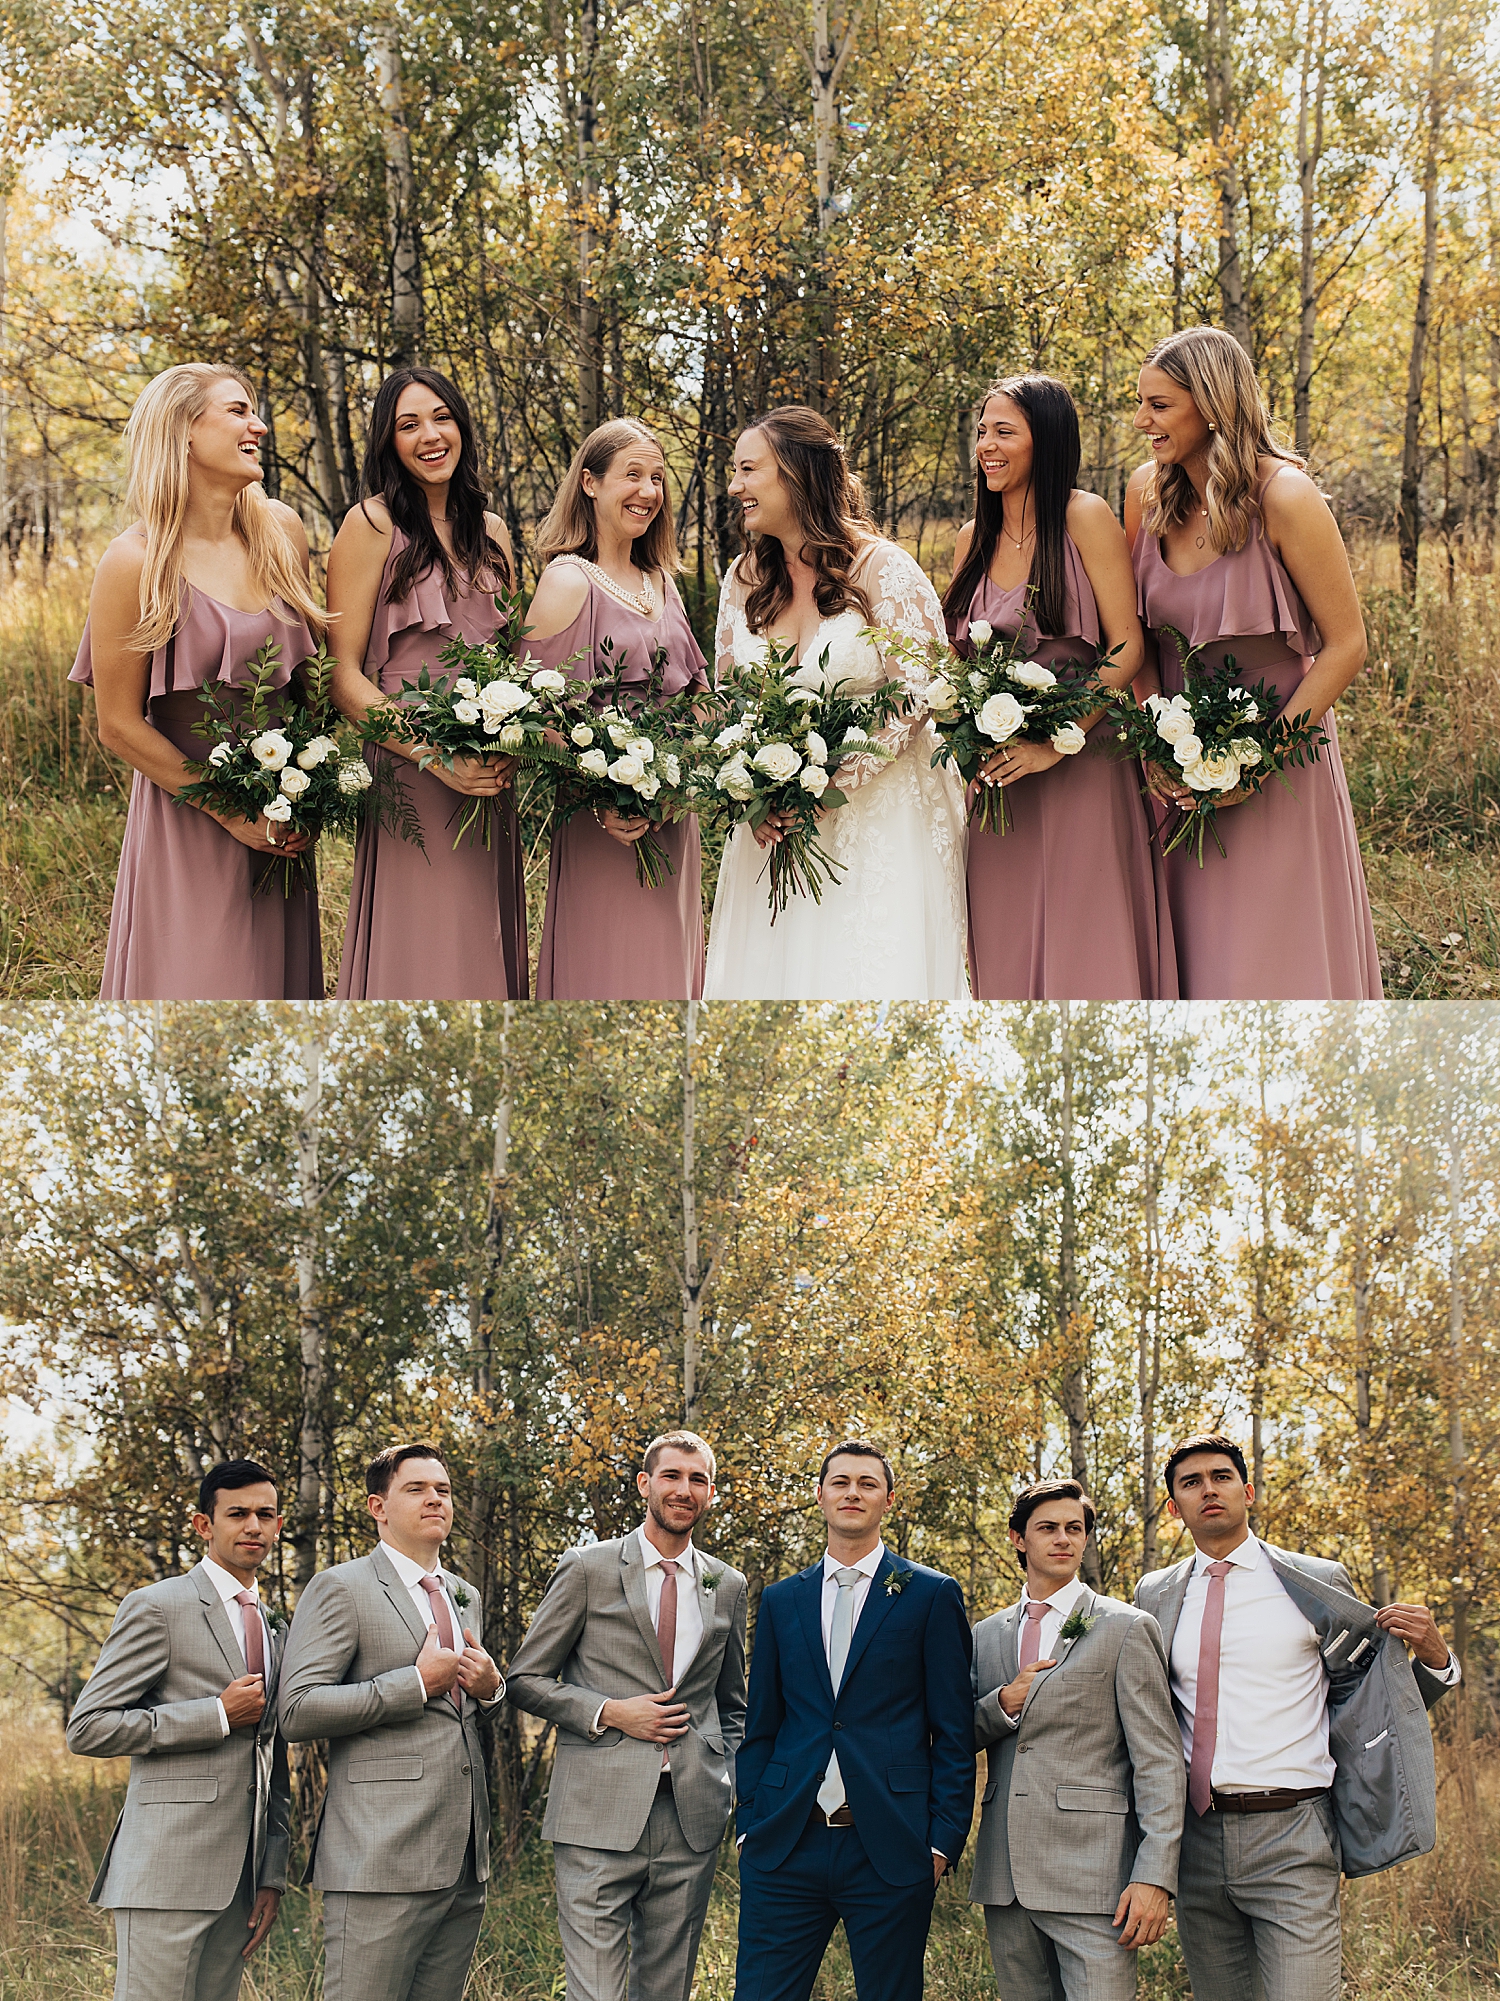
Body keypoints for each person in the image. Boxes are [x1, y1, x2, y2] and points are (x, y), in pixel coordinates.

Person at [1135, 1433, 1460, 2001]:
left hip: (1292, 1833)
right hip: (1194, 1840)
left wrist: (1435, 1659)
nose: (1208, 1489)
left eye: (1221, 1477)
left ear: (1248, 1492)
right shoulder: (1154, 1594)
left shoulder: (1315, 1582)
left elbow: (1371, 1701)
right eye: (1191, 1483)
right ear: (1173, 1507)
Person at [1126, 326, 1382, 999]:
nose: (1141, 422)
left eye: (1159, 406)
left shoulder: (1286, 498)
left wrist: (1258, 759)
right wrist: (1156, 737)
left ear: (1210, 406)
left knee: (1270, 963)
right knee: (1199, 963)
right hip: (1174, 776)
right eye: (1141, 404)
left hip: (1280, 765)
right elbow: (1137, 641)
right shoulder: (1144, 496)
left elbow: (1347, 643)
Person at [69, 364, 327, 998]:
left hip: (281, 808)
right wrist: (231, 811)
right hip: (190, 814)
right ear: (184, 430)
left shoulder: (280, 533)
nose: (257, 425)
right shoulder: (135, 561)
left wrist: (314, 785)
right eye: (238, 411)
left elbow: (310, 684)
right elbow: (119, 723)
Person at [703, 407, 969, 1000]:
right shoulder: (743, 578)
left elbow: (921, 690)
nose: (734, 486)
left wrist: (829, 785)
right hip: (772, 829)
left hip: (877, 825)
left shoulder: (883, 569)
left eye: (748, 470)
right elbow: (731, 699)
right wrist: (757, 792)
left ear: (796, 474)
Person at [944, 376, 1174, 999]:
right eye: (983, 432)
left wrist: (1057, 740)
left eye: (1004, 432)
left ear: (1043, 442)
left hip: (1085, 761)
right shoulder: (972, 539)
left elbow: (1128, 644)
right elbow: (957, 659)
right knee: (1006, 936)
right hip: (999, 774)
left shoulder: (1084, 516)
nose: (986, 446)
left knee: (1087, 938)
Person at [505, 1430, 747, 2001]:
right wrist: (611, 1711)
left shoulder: (727, 1584)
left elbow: (733, 1704)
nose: (684, 1490)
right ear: (645, 1484)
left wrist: (722, 1773)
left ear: (710, 1493)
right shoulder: (587, 1568)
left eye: (698, 1480)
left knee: (668, 1990)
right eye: (671, 1476)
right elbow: (525, 1680)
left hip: (690, 1820)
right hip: (596, 1815)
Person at [732, 1440, 974, 2001]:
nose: (852, 1493)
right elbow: (761, 1723)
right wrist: (749, 1822)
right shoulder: (781, 1600)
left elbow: (955, 1734)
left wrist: (940, 1844)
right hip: (785, 1842)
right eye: (840, 1482)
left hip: (890, 1845)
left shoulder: (930, 1594)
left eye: (867, 1483)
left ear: (888, 1499)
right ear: (820, 1495)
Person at [277, 1443, 505, 2001]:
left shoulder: (463, 1596)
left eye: (444, 1490)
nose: (435, 1499)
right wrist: (413, 1684)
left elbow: (463, 1711)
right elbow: (297, 1709)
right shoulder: (341, 1587)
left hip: (462, 1861)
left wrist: (491, 1689)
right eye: (417, 1489)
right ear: (378, 1506)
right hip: (378, 1860)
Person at [330, 367, 528, 999]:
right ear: (388, 443)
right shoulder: (370, 525)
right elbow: (341, 675)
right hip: (412, 767)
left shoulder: (491, 532)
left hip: (488, 768)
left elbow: (512, 664)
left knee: (483, 935)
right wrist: (436, 757)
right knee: (430, 948)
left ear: (462, 426)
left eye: (441, 417)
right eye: (408, 425)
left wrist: (506, 740)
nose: (431, 436)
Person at [66, 1458, 291, 2001]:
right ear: (202, 1525)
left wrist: (271, 1873)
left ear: (280, 1525)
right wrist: (214, 1714)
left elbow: (272, 1755)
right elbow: (89, 1727)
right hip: (165, 1871)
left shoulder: (273, 1623)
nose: (253, 1527)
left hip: (241, 1878)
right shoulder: (157, 1606)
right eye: (237, 1514)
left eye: (265, 1515)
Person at [970, 1479, 1184, 2000]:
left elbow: (1158, 1760)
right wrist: (1001, 1705)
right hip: (1006, 1876)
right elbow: (953, 1735)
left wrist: (1154, 1875)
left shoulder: (1126, 1628)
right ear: (1019, 1539)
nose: (1064, 1538)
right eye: (1048, 1528)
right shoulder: (984, 1634)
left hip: (1095, 1879)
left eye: (1075, 1528)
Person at [524, 419, 708, 999]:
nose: (649, 491)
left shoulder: (662, 581)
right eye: (632, 475)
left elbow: (696, 694)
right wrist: (608, 793)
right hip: (604, 822)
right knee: (611, 974)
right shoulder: (567, 580)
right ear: (589, 483)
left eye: (657, 478)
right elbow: (534, 715)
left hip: (674, 815)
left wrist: (694, 765)